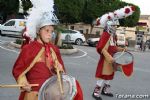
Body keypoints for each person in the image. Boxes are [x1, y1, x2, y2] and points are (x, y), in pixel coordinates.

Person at [12, 0, 83, 100]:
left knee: (75, 87)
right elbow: (18, 71)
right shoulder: (28, 49)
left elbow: (61, 74)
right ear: (38, 31)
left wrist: (60, 68)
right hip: (34, 93)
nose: (50, 34)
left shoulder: (54, 49)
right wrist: (24, 83)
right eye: (47, 30)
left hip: (51, 93)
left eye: (52, 31)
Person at [92, 5, 135, 100]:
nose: (115, 27)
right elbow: (101, 48)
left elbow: (113, 47)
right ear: (108, 25)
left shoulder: (112, 35)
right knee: (102, 76)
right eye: (113, 25)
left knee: (109, 76)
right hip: (106, 60)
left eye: (116, 26)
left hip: (113, 59)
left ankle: (105, 90)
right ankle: (96, 92)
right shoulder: (105, 35)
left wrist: (122, 49)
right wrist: (109, 57)